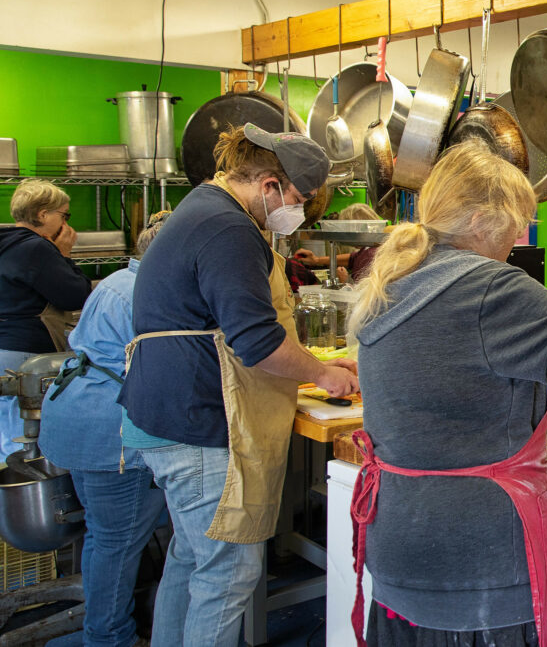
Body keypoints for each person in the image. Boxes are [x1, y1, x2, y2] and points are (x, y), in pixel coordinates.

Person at [348, 142, 547, 647]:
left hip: (400, 543)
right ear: (481, 219)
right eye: (517, 222)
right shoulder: (492, 289)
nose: (519, 236)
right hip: (476, 563)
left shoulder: (394, 280)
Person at [117, 124, 359, 647]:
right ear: (269, 184)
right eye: (296, 199)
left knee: (191, 558)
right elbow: (256, 341)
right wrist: (323, 374)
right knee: (228, 573)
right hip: (200, 419)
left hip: (168, 415)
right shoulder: (228, 227)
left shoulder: (203, 209)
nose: (295, 212)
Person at [39, 211, 172, 647]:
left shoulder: (118, 280)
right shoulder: (149, 293)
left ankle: (106, 629)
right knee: (117, 541)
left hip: (77, 414)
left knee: (105, 536)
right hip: (108, 430)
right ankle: (109, 637)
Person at [0, 179, 92, 457]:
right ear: (43, 215)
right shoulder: (37, 248)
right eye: (64, 215)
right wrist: (64, 254)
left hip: (3, 350)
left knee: (5, 433)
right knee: (25, 437)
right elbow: (75, 295)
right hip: (25, 354)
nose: (66, 224)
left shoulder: (5, 242)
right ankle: (26, 494)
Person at [294, 202, 383, 282]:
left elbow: (365, 293)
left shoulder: (372, 254)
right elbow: (352, 258)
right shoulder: (368, 248)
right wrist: (317, 260)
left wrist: (346, 280)